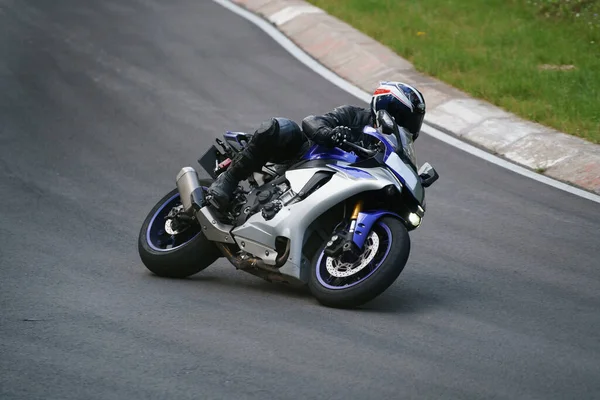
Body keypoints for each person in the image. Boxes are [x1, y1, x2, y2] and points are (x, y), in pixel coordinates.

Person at [206, 81, 426, 212]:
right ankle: (229, 179)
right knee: (282, 127)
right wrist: (329, 134)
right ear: (388, 107)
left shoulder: (393, 148)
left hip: (345, 185)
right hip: (305, 160)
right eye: (405, 117)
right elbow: (313, 121)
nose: (409, 125)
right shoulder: (353, 115)